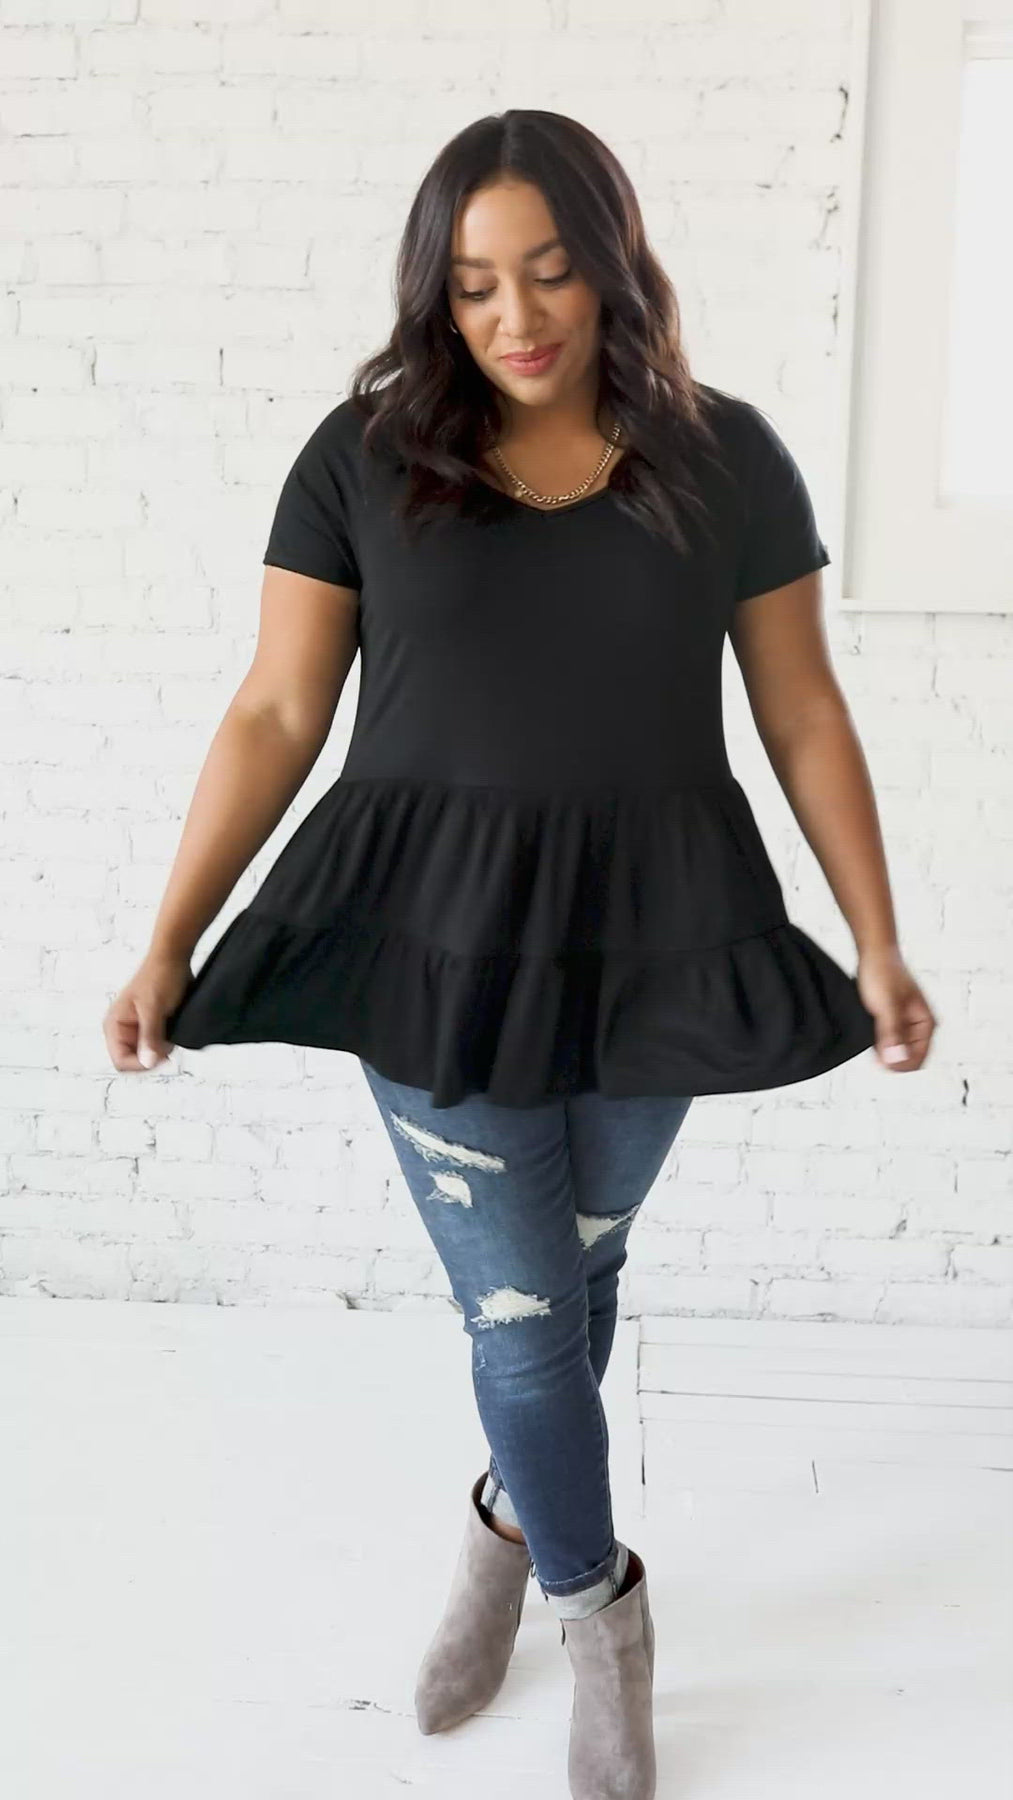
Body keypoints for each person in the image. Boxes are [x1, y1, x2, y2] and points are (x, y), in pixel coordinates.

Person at [103, 110, 936, 1800]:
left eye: (548, 272)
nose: (514, 315)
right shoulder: (358, 458)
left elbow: (799, 708)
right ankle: (598, 1612)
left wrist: (875, 939)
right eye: (475, 284)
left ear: (612, 265)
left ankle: (502, 1526)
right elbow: (275, 710)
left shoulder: (727, 456)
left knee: (576, 1271)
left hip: (658, 929)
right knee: (522, 1311)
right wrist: (168, 936)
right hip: (428, 932)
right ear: (436, 291)